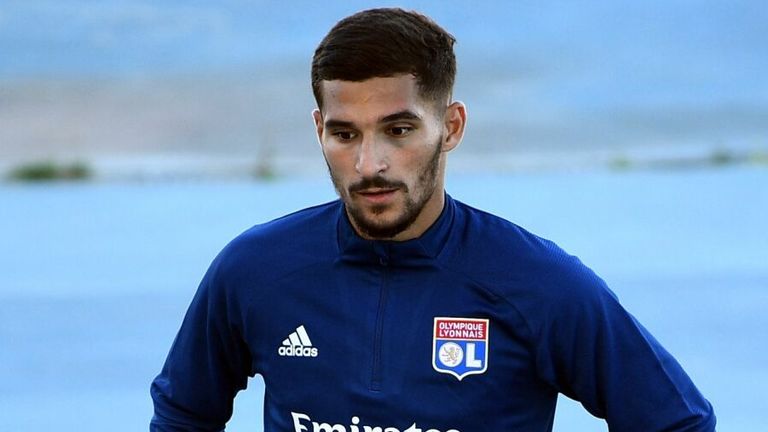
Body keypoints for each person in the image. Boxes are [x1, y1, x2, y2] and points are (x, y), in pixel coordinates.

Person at [150, 8, 716, 432]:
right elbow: (182, 415)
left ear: (451, 126)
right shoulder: (255, 270)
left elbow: (678, 422)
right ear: (319, 129)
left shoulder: (539, 284)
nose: (370, 164)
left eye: (399, 130)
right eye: (345, 134)